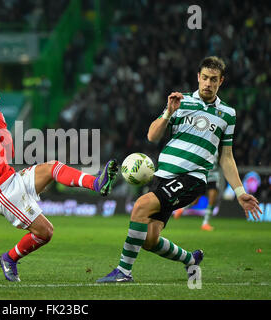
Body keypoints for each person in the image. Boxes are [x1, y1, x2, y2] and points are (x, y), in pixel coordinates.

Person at [97, 56, 262, 283]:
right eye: (204, 78)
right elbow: (152, 136)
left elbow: (226, 156)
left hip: (192, 178)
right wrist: (168, 112)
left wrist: (240, 191)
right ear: (198, 77)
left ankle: (123, 272)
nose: (207, 83)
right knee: (149, 240)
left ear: (221, 81)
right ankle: (191, 260)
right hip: (162, 176)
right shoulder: (180, 102)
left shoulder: (228, 114)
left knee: (140, 206)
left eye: (213, 79)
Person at [0, 80, 119, 282]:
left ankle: (97, 183)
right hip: (1, 192)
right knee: (45, 232)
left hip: (8, 179)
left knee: (52, 167)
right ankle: (9, 259)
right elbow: (9, 151)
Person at [173, 150, 223, 231]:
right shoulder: (204, 144)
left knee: (212, 198)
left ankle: (205, 223)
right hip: (202, 174)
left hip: (214, 175)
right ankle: (182, 209)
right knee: (195, 200)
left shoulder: (219, 146)